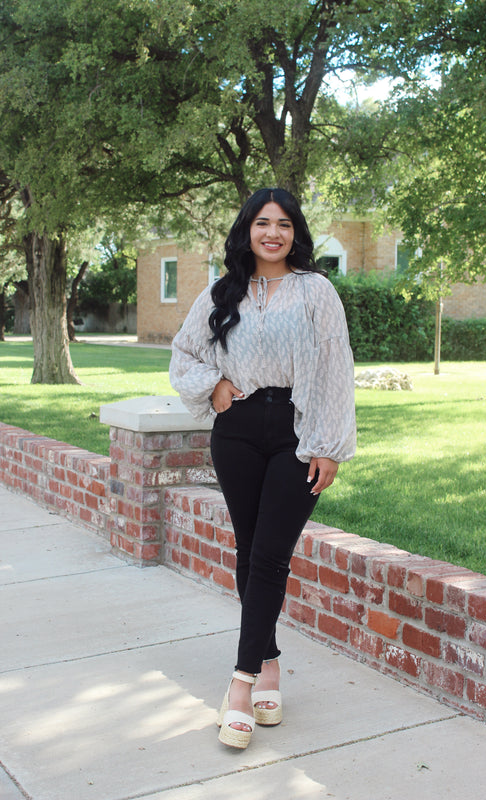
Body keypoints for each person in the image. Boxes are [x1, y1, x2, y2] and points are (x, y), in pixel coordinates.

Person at [169, 187, 356, 750]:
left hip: (296, 432)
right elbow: (184, 353)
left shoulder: (316, 291)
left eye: (283, 224)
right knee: (250, 551)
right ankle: (269, 661)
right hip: (238, 433)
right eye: (261, 223)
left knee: (271, 555)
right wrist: (214, 387)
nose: (272, 233)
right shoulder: (222, 292)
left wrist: (327, 445)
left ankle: (241, 684)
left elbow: (333, 369)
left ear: (295, 232)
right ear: (246, 230)